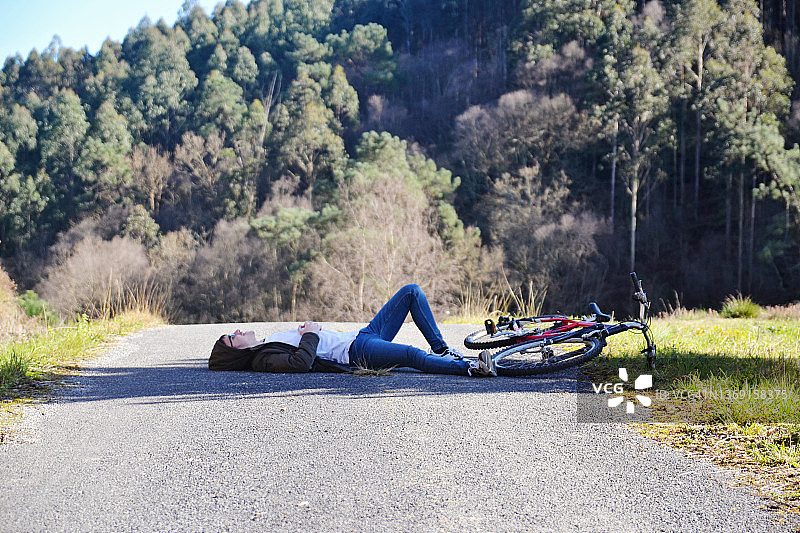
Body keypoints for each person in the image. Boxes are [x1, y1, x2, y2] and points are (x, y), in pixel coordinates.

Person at [209, 284, 496, 377]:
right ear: (238, 352)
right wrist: (310, 332)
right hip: (356, 353)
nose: (236, 331)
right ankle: (469, 368)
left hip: (361, 336)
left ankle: (443, 350)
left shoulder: (267, 343)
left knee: (411, 293)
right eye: (232, 338)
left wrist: (307, 332)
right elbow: (300, 363)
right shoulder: (263, 360)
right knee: (410, 354)